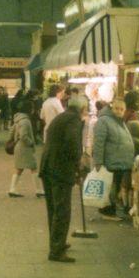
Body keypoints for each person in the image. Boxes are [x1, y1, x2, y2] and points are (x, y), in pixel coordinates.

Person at [39, 96, 89, 263]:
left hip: (49, 166)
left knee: (54, 209)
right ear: (82, 109)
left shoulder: (63, 117)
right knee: (61, 211)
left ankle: (57, 243)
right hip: (59, 169)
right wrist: (78, 165)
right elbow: (72, 144)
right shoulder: (73, 120)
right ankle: (56, 250)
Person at [92, 97, 136, 221]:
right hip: (111, 162)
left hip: (120, 162)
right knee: (110, 188)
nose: (119, 111)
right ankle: (107, 212)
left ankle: (112, 211)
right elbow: (99, 142)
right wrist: (98, 162)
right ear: (111, 108)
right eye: (116, 108)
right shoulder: (104, 121)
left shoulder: (119, 121)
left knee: (115, 189)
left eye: (122, 109)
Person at [8, 100, 44, 198]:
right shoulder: (26, 120)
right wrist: (31, 142)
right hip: (25, 148)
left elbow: (11, 132)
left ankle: (13, 189)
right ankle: (39, 190)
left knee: (19, 168)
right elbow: (24, 135)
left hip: (18, 147)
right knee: (33, 167)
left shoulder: (17, 119)